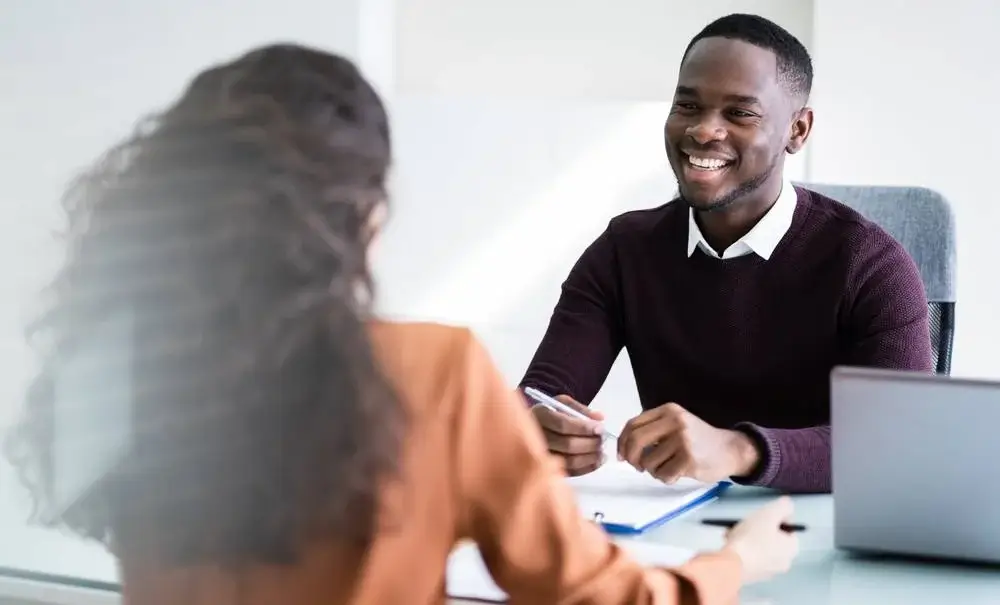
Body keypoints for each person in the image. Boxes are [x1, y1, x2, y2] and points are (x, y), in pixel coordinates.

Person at [4, 43, 797, 604]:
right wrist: (731, 564)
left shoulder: (121, 361)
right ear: (366, 215)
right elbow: (592, 594)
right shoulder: (430, 372)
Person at [520, 13, 933, 494]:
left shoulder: (872, 265)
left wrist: (737, 450)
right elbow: (541, 396)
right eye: (687, 106)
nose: (702, 131)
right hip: (674, 534)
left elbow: (897, 443)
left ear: (797, 130)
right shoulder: (623, 251)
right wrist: (539, 429)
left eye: (739, 113)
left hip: (826, 536)